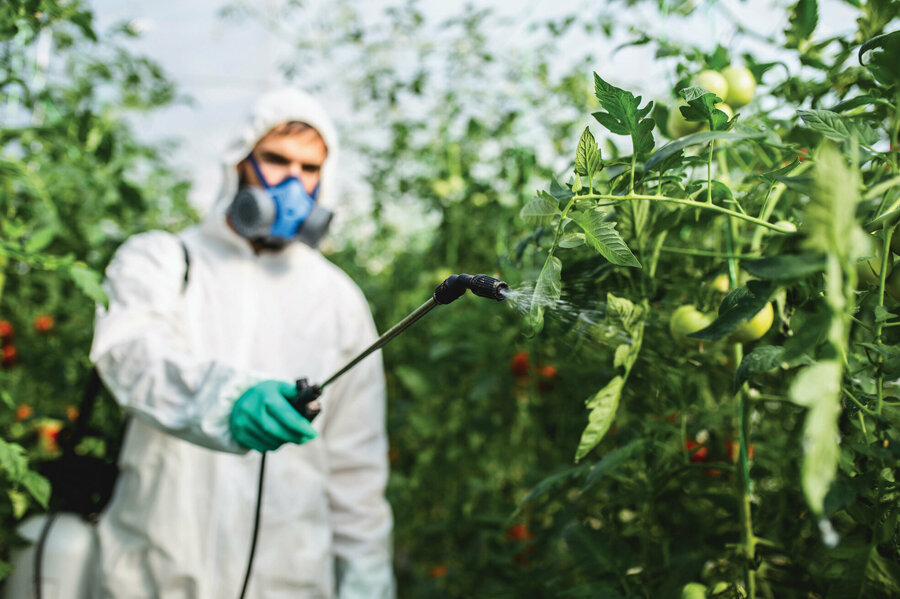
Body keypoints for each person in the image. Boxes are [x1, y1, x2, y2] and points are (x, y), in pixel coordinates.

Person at [89, 87, 394, 598]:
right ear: (239, 164)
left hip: (289, 580)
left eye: (310, 168)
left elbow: (356, 470)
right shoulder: (163, 261)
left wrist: (367, 586)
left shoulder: (338, 299)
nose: (294, 184)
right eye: (276, 160)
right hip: (153, 571)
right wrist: (227, 400)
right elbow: (131, 356)